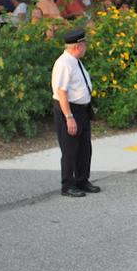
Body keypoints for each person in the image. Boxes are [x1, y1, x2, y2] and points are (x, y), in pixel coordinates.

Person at [51, 28, 100, 198]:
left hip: (82, 110)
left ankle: (82, 180)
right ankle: (68, 185)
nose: (86, 47)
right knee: (70, 149)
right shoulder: (64, 63)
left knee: (84, 148)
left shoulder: (75, 61)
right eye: (84, 44)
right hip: (69, 110)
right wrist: (69, 117)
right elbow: (61, 92)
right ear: (78, 46)